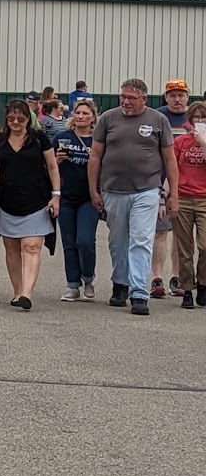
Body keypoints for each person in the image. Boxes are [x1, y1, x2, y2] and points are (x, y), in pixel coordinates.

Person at [89, 78, 179, 315]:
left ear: (144, 99)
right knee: (118, 241)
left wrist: (173, 194)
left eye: (131, 98)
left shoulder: (158, 120)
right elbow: (95, 155)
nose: (126, 102)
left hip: (147, 190)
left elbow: (170, 159)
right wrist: (94, 190)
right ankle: (120, 284)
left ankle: (139, 292)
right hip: (114, 190)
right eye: (123, 97)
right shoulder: (108, 118)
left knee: (141, 240)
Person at [0, 100, 60, 310]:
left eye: (20, 118)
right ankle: (17, 291)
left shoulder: (39, 139)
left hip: (37, 200)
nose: (16, 122)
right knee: (11, 248)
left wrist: (56, 195)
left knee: (32, 246)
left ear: (28, 119)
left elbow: (52, 167)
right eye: (11, 118)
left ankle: (27, 293)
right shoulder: (0, 140)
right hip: (8, 201)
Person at [54, 99, 99, 302]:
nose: (80, 116)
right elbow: (48, 166)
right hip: (66, 196)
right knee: (69, 242)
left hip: (89, 197)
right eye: (78, 113)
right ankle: (72, 284)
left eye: (85, 113)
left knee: (85, 240)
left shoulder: (98, 140)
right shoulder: (62, 138)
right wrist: (57, 160)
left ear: (93, 117)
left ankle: (88, 278)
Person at [151, 79, 191, 298]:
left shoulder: (194, 118)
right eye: (173, 95)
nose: (177, 99)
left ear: (187, 97)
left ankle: (177, 277)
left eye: (181, 95)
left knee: (181, 236)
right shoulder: (158, 117)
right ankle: (156, 277)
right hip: (161, 183)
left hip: (188, 186)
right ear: (166, 97)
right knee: (160, 231)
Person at [172, 101, 206, 310]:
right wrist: (168, 195)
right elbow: (172, 169)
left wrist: (203, 142)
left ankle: (203, 283)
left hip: (204, 198)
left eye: (203, 117)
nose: (200, 121)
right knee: (185, 248)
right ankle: (186, 288)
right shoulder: (181, 142)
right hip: (183, 197)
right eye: (196, 117)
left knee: (204, 245)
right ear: (190, 120)